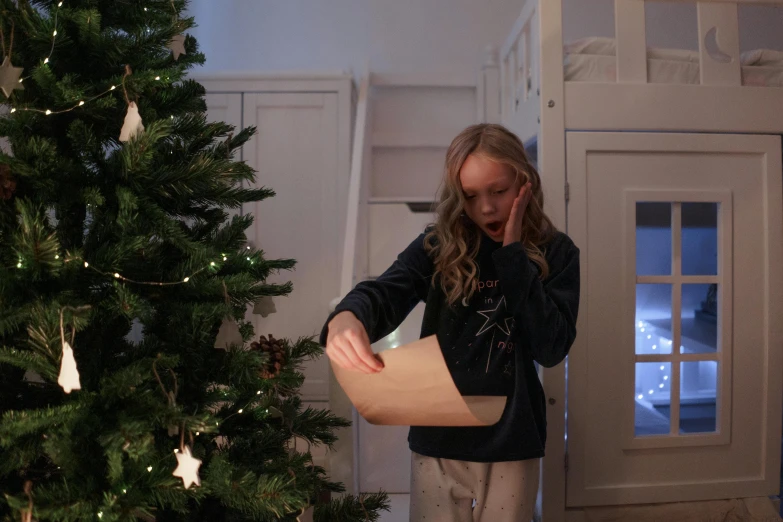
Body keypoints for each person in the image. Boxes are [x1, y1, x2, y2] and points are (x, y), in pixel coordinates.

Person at [320, 123, 580, 522]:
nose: (487, 209)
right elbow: (387, 291)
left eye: (499, 191)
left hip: (514, 439)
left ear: (524, 183)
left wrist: (512, 255)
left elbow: (552, 348)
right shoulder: (438, 246)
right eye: (471, 196)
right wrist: (346, 317)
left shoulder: (557, 252)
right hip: (438, 437)